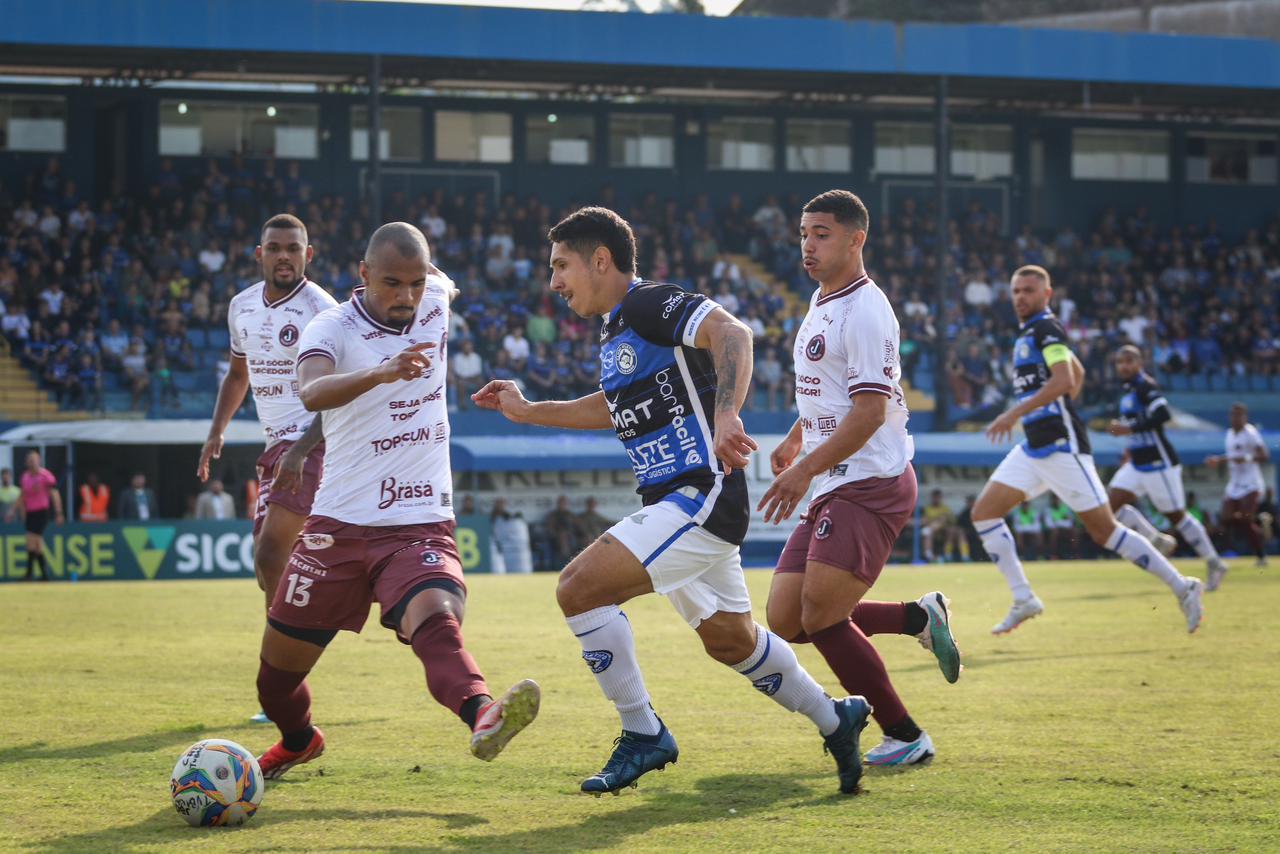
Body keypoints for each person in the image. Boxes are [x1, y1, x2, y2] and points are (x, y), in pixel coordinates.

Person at [474, 205, 870, 797]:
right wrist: (530, 411)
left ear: (600, 260)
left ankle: (643, 732)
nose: (553, 281)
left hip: (698, 494)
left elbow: (732, 332)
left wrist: (726, 413)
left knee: (577, 588)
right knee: (731, 641)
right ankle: (835, 719)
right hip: (677, 499)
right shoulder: (616, 330)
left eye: (561, 266)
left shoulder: (642, 303)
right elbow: (613, 408)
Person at [253, 222, 538, 780]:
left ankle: (484, 714)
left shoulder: (432, 295)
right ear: (362, 275)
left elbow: (442, 285)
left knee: (437, 618)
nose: (405, 297)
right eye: (390, 284)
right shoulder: (331, 326)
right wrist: (380, 372)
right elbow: (312, 390)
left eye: (414, 283)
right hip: (337, 525)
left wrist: (439, 286)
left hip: (419, 520)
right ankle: (299, 740)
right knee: (274, 684)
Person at [757, 190, 957, 776]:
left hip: (868, 479)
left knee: (821, 617)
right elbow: (833, 388)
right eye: (803, 234)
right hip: (831, 479)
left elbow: (868, 411)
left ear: (855, 239)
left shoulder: (868, 309)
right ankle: (917, 618)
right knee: (787, 619)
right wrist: (798, 436)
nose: (808, 246)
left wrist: (803, 469)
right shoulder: (822, 300)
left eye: (821, 234)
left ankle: (905, 733)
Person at [969, 265, 1203, 635]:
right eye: (1015, 291)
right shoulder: (1031, 333)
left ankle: (1182, 585)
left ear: (1047, 295)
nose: (1020, 297)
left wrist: (1014, 413)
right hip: (1035, 448)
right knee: (984, 513)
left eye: (1028, 290)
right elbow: (1075, 374)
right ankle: (1024, 598)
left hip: (1063, 447)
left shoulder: (1046, 328)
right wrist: (1053, 401)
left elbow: (1064, 379)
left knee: (1103, 532)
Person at [197, 214, 336, 724]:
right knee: (268, 570)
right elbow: (238, 374)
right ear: (260, 253)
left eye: (292, 248)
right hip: (274, 449)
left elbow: (340, 395)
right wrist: (217, 431)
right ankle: (287, 673)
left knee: (271, 550)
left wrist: (301, 449)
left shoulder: (325, 311)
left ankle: (279, 690)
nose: (284, 256)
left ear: (308, 253)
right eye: (274, 247)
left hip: (314, 443)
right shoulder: (241, 307)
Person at [1106, 345, 1228, 588]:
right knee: (1107, 508)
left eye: (1129, 361)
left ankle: (1214, 562)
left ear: (1140, 363)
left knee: (1176, 517)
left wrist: (1128, 429)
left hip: (1158, 463)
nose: (1124, 366)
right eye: (1120, 362)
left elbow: (1162, 415)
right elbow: (1137, 426)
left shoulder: (1145, 386)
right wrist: (1127, 444)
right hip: (1137, 463)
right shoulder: (1127, 392)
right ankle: (1155, 538)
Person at [1205, 402, 1270, 568]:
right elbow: (1232, 455)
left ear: (1245, 417)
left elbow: (1264, 455)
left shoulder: (1250, 433)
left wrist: (1247, 458)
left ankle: (1261, 555)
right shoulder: (1229, 434)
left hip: (1251, 484)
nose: (1235, 418)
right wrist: (1218, 460)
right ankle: (1223, 553)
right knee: (1226, 518)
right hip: (1234, 484)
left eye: (1239, 415)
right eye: (1233, 415)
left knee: (1246, 520)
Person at [4, 451, 63, 580]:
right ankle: (44, 575)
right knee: (36, 544)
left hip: (42, 512)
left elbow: (55, 494)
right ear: (26, 463)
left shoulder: (46, 476)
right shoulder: (25, 477)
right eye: (29, 460)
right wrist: (13, 511)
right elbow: (22, 496)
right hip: (30, 513)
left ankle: (29, 574)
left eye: (34, 460)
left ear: (39, 461)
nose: (32, 463)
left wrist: (59, 512)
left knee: (31, 540)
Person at [920, 489, 962, 563]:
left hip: (944, 530)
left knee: (947, 525)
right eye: (934, 497)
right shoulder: (928, 508)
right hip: (933, 532)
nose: (936, 499)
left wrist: (940, 519)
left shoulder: (944, 508)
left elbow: (951, 521)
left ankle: (949, 555)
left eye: (938, 497)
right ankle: (929, 556)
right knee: (928, 533)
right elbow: (924, 520)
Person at [543, 495, 580, 567]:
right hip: (556, 537)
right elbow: (550, 527)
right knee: (562, 535)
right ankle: (565, 560)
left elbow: (578, 525)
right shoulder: (553, 514)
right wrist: (554, 534)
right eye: (561, 503)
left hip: (571, 537)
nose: (562, 504)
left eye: (564, 503)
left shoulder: (570, 514)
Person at [1042, 494, 1075, 560]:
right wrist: (1062, 520)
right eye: (1054, 499)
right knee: (1055, 532)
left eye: (1057, 499)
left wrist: (1057, 522)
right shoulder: (1048, 510)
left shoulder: (1064, 508)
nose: (1056, 501)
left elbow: (1069, 522)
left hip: (1064, 529)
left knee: (1074, 531)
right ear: (1051, 501)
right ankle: (1053, 554)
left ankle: (1074, 553)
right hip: (1051, 530)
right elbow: (1049, 524)